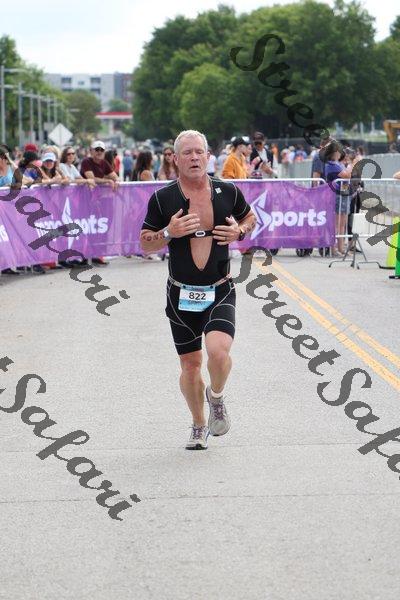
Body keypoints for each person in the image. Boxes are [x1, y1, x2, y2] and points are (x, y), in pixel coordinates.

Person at [140, 129, 256, 450]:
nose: (193, 157)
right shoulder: (163, 198)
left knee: (219, 352)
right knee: (190, 366)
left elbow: (250, 218)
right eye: (187, 153)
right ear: (175, 159)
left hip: (219, 288)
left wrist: (240, 231)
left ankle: (215, 396)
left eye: (198, 152)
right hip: (180, 294)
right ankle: (198, 424)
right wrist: (169, 231)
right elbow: (145, 243)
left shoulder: (227, 191)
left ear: (208, 157)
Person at [321, 140, 354, 255]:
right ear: (335, 152)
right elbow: (347, 175)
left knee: (342, 224)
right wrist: (351, 165)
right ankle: (334, 249)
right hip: (338, 196)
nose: (341, 153)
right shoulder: (332, 165)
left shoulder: (337, 164)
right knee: (337, 224)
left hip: (343, 195)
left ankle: (340, 248)